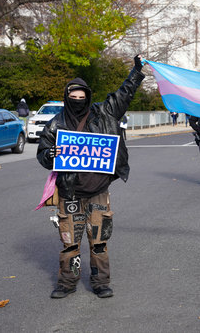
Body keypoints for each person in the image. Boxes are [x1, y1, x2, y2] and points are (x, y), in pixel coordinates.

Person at [37, 55, 146, 299]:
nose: (78, 101)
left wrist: (136, 72)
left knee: (99, 243)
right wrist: (50, 155)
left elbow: (124, 94)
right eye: (73, 97)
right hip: (70, 194)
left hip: (98, 193)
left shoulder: (104, 113)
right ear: (67, 98)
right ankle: (67, 282)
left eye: (81, 97)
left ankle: (100, 282)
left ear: (87, 96)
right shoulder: (56, 124)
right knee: (70, 244)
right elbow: (42, 153)